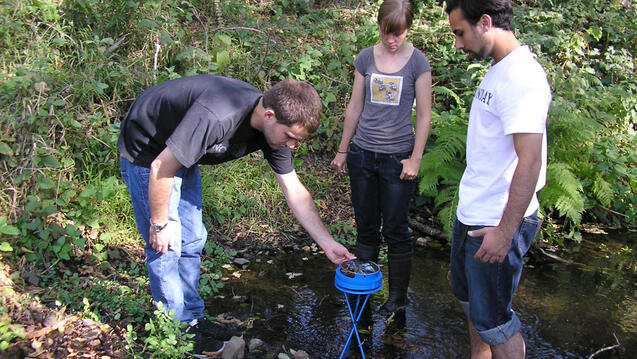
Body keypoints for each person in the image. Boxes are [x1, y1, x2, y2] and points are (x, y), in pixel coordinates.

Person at [118, 75, 355, 355]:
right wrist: (159, 225)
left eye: (298, 141)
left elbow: (295, 191)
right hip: (149, 150)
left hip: (180, 150)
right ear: (269, 114)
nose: (292, 146)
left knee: (193, 239)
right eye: (290, 137)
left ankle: (192, 318)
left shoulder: (274, 133)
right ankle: (175, 332)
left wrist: (326, 243)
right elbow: (161, 167)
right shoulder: (218, 116)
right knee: (167, 246)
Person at [444, 0, 552, 357]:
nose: (457, 44)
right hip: (472, 214)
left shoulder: (523, 77)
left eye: (460, 32)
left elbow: (531, 161)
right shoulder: (499, 68)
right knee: (473, 306)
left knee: (494, 320)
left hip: (496, 221)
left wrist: (506, 232)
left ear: (485, 22)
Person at [330, 0, 432, 317]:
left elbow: (425, 115)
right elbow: (354, 107)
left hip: (398, 158)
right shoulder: (365, 57)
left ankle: (397, 300)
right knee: (366, 229)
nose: (392, 41)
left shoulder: (418, 63)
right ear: (379, 27)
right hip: (363, 155)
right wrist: (343, 150)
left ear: (408, 30)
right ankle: (363, 296)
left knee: (397, 230)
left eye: (398, 35)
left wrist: (416, 158)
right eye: (387, 34)